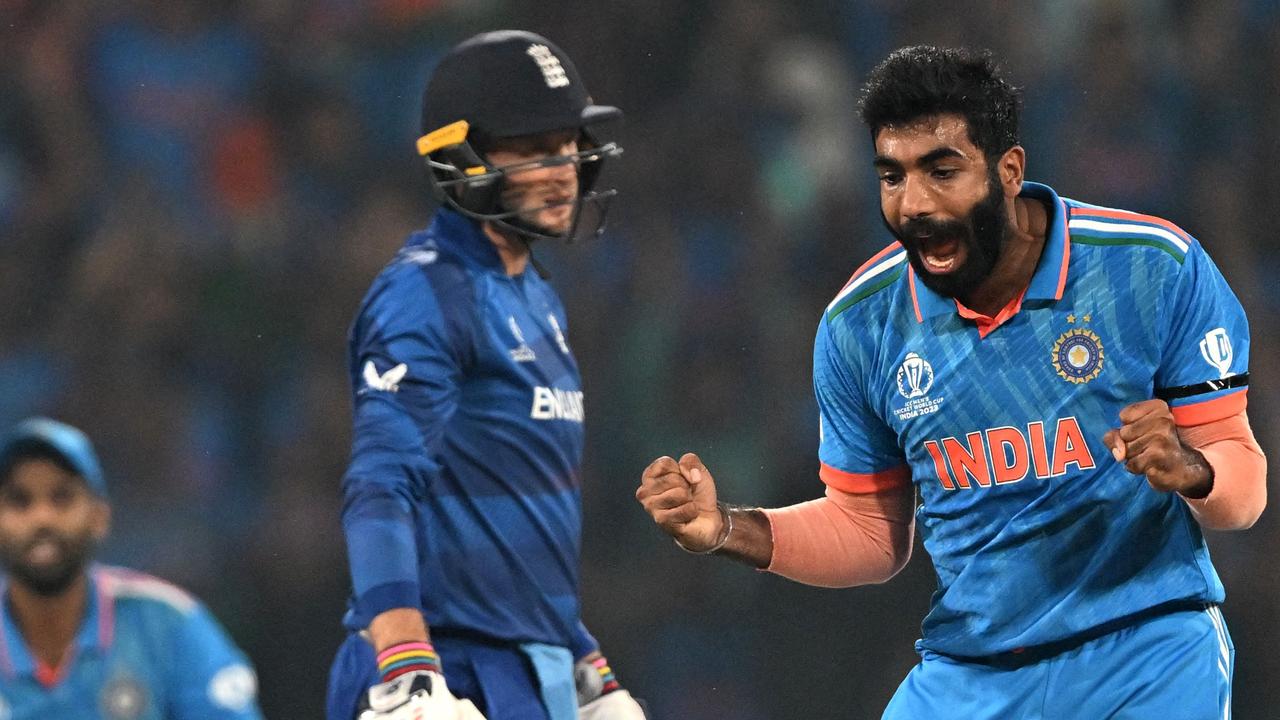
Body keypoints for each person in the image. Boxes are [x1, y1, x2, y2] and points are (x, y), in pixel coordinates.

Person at [637, 45, 1266, 719]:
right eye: (893, 177)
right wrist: (725, 526)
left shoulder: (1150, 269)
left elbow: (1244, 492)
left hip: (1146, 652)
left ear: (1009, 171)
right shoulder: (862, 325)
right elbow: (870, 533)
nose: (915, 205)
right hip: (971, 673)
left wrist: (1194, 468)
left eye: (942, 172)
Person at [326, 30, 646, 720]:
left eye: (567, 144)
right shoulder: (427, 292)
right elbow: (380, 485)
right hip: (439, 670)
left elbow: (519, 524)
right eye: (532, 150)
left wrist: (586, 665)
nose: (562, 168)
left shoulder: (536, 295)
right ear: (461, 159)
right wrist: (406, 668)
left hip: (529, 671)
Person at [0, 417, 263, 719]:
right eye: (20, 501)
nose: (42, 518)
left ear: (100, 517)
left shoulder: (168, 624)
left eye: (62, 498)